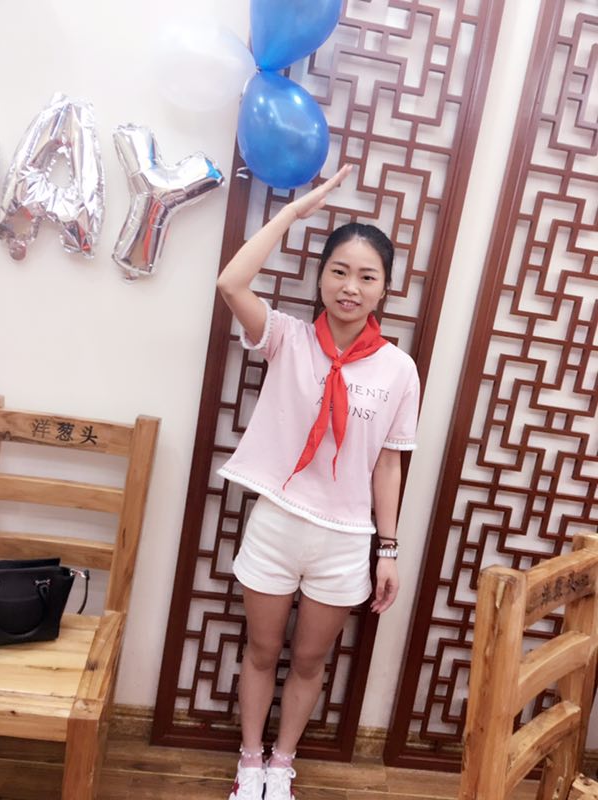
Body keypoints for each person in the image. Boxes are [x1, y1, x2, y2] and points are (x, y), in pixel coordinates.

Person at [216, 164, 419, 800]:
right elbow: (230, 283)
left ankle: (283, 764)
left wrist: (388, 550)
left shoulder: (399, 370)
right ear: (322, 277)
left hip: (343, 539)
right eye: (339, 271)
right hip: (276, 523)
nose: (350, 287)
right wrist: (293, 213)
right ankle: (250, 761)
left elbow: (389, 464)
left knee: (308, 660)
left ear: (384, 289)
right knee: (260, 650)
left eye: (367, 276)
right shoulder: (287, 338)